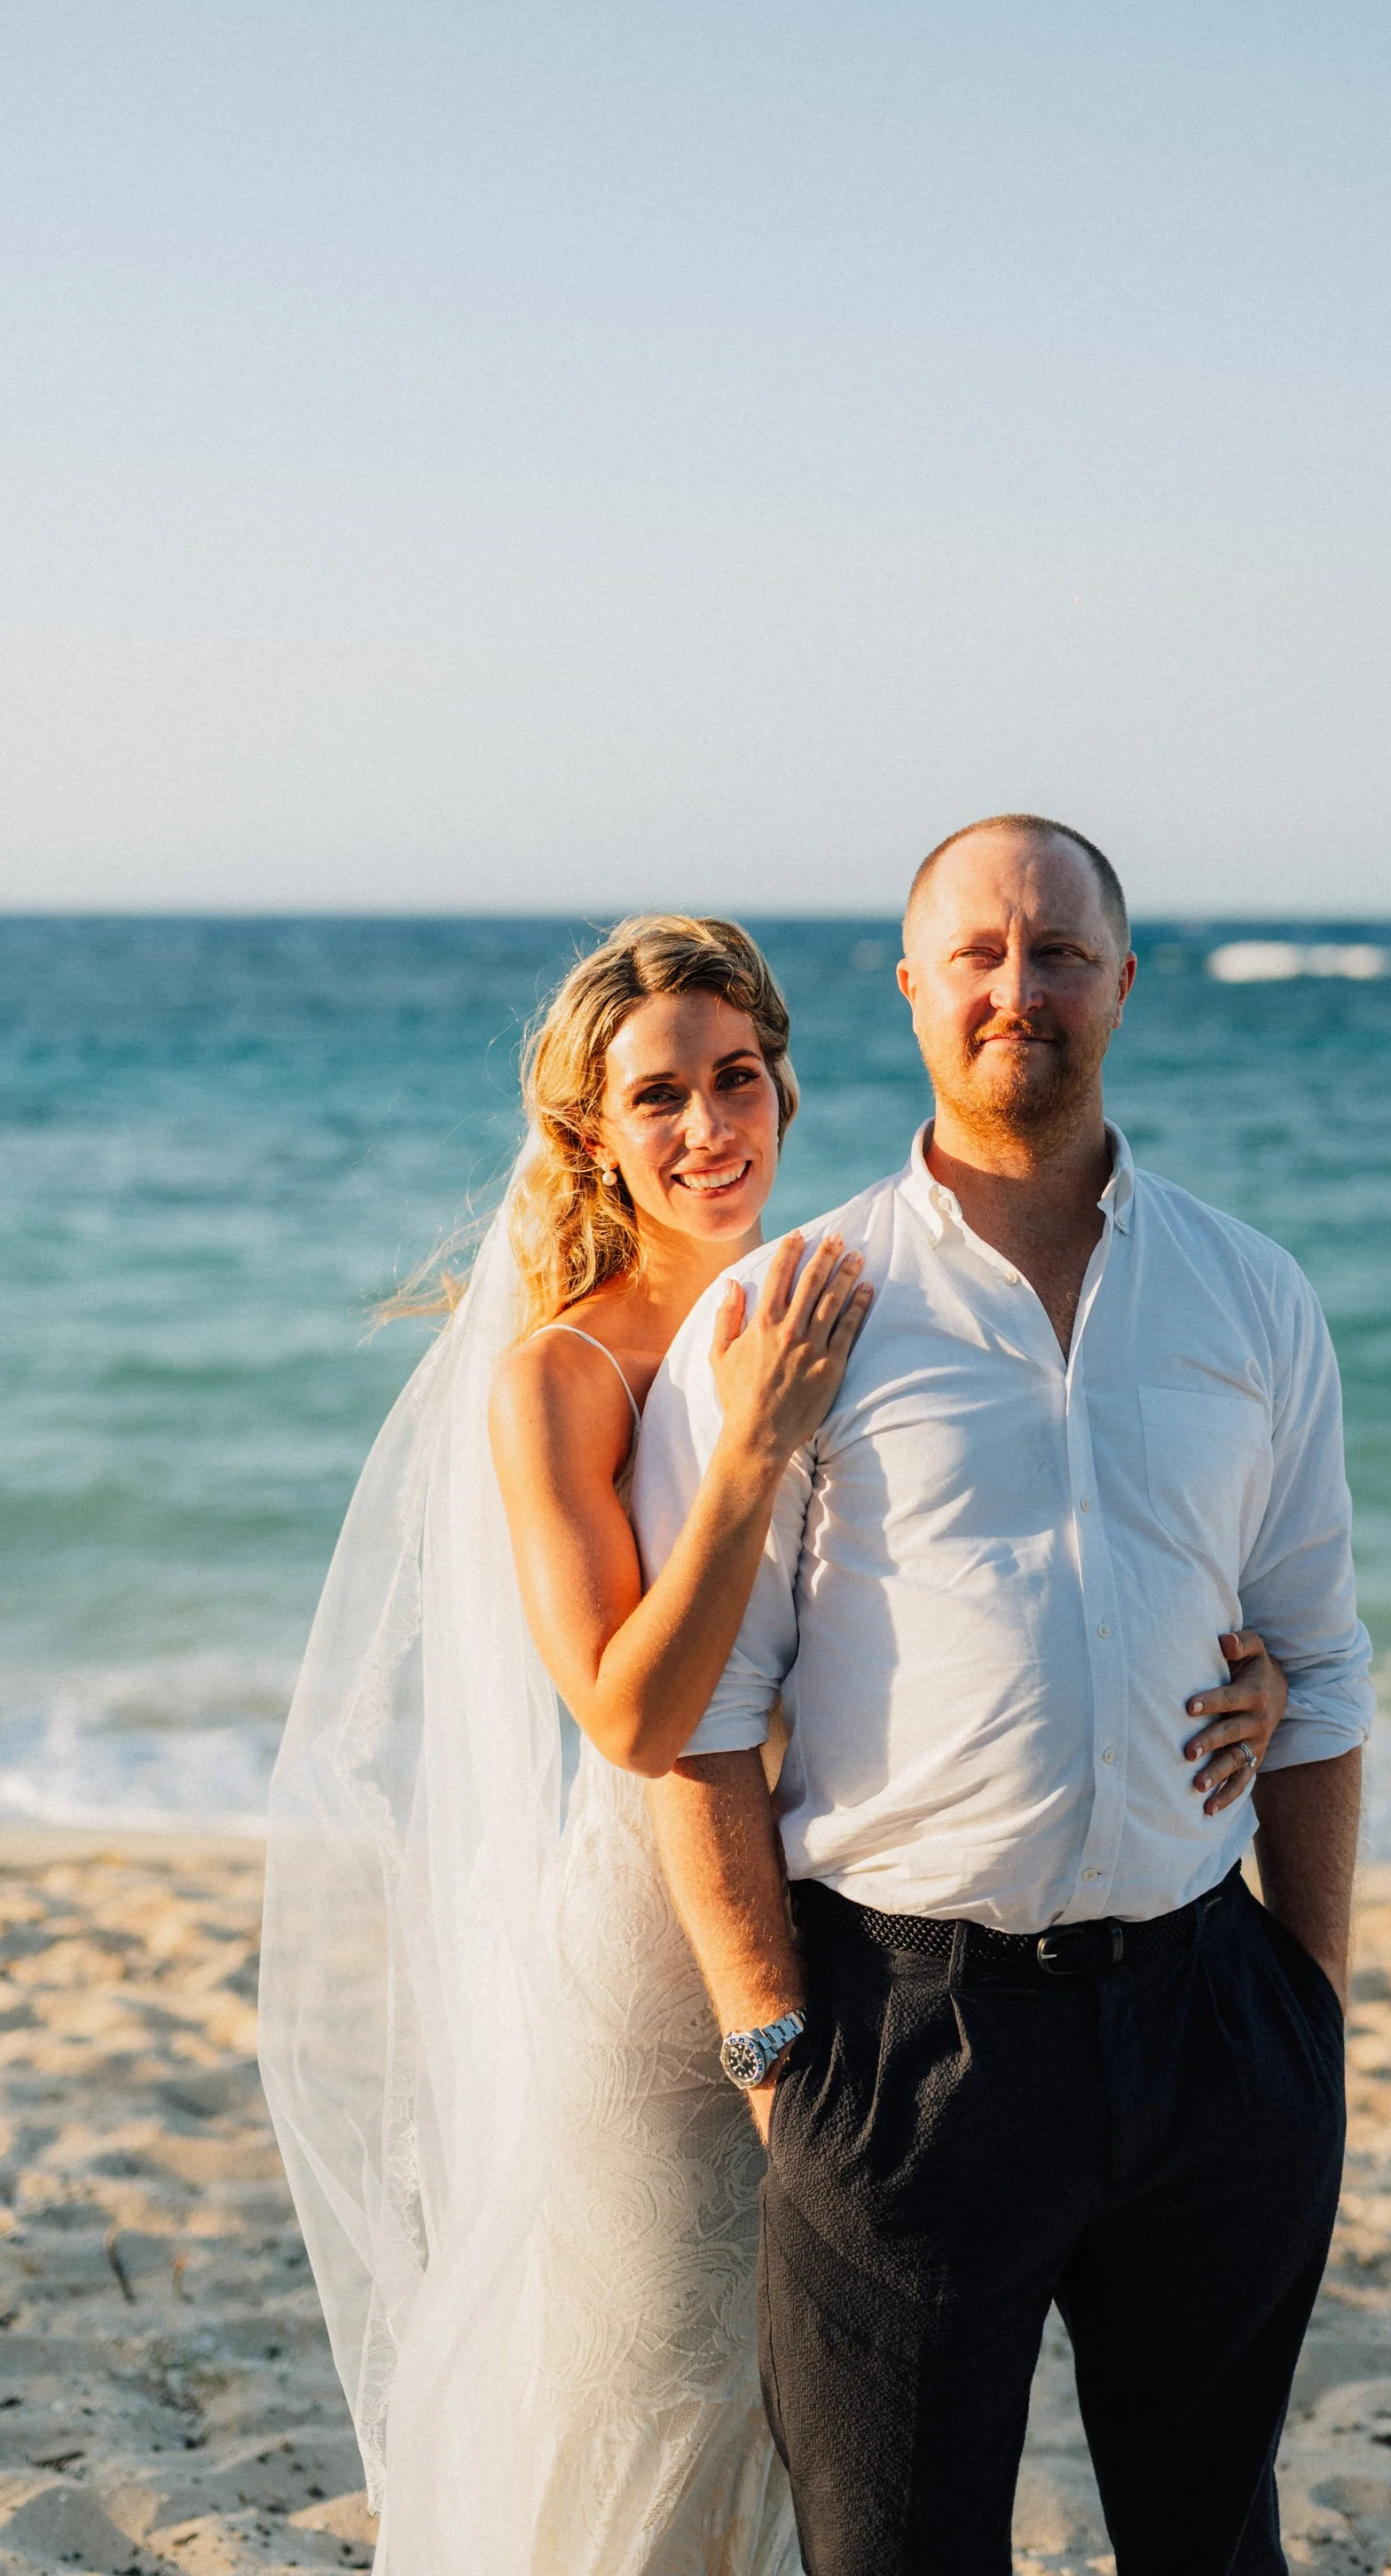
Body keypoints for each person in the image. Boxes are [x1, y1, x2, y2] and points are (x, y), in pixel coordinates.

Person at [263, 907, 1290, 2575]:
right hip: (663, 1966)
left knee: (822, 2429)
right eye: (657, 1096)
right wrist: (746, 1457)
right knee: (659, 2399)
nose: (706, 1125)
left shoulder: (845, 1286)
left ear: (791, 1091)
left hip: (859, 1938)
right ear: (592, 1133)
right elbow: (632, 1713)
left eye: (737, 1077)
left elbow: (1015, 1566)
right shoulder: (564, 1373)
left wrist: (1254, 1679)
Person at [633, 819, 1371, 2576]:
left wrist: (1310, 2006)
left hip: (1208, 2025)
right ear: (908, 993)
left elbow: (1320, 1664)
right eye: (976, 954)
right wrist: (768, 2049)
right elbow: (701, 1718)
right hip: (908, 2042)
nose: (1015, 989)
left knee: (1213, 2542)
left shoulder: (1248, 1296)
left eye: (1056, 953)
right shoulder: (786, 1310)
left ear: (1122, 981)